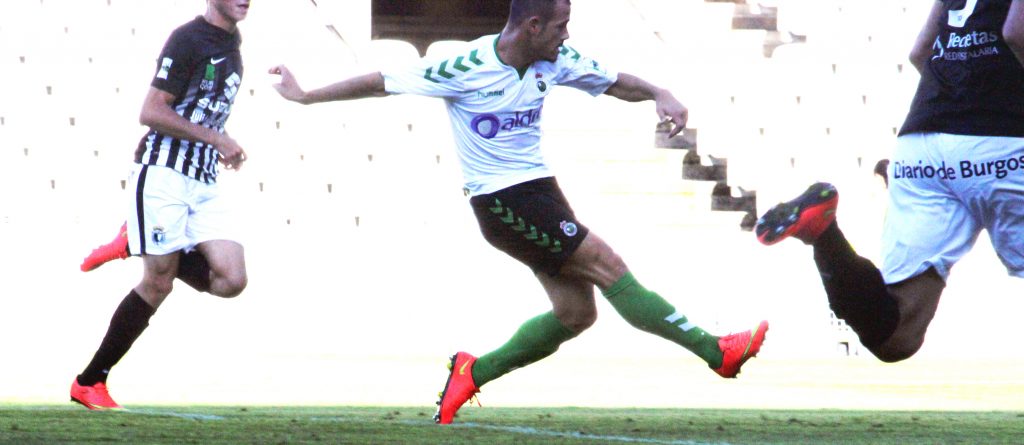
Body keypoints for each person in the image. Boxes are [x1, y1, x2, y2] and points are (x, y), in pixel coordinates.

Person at [270, 0, 769, 424]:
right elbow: (381, 81)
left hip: (541, 192)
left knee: (576, 314)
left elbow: (615, 81)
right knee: (609, 266)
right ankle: (715, 352)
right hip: (503, 201)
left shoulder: (555, 59)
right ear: (533, 27)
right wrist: (307, 96)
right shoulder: (463, 66)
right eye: (560, 26)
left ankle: (473, 372)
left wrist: (661, 93)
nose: (566, 34)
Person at [755, 0, 1024, 362]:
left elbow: (920, 52)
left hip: (923, 143)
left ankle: (822, 234)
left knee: (895, 336)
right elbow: (1015, 33)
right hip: (1005, 139)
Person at [70, 0, 251, 410]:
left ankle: (137, 237)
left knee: (232, 280)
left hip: (203, 177)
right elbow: (151, 111)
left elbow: (202, 110)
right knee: (159, 281)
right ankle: (89, 382)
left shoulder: (233, 41)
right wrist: (216, 138)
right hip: (163, 172)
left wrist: (222, 142)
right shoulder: (187, 39)